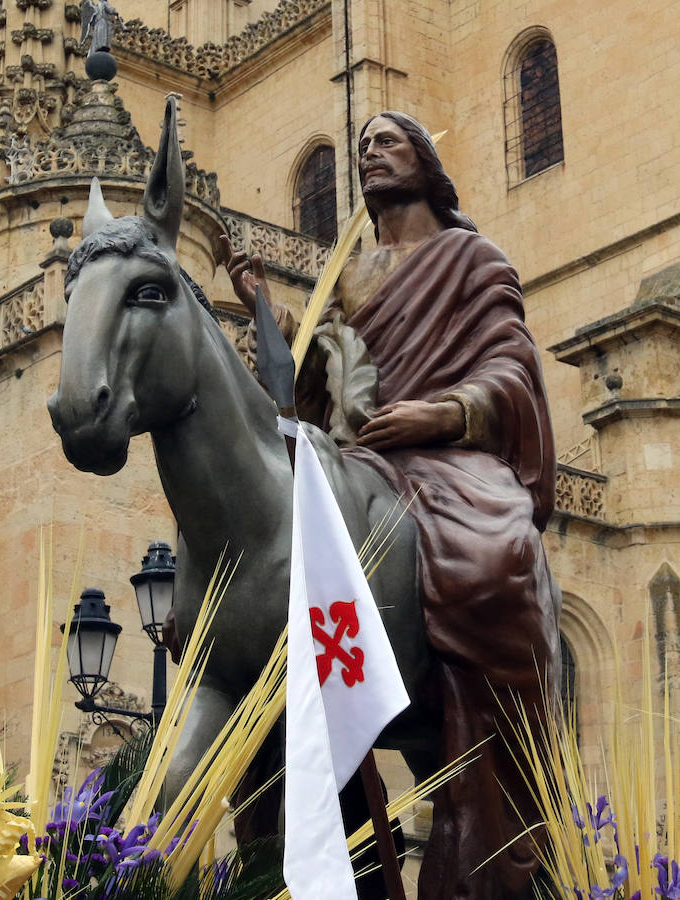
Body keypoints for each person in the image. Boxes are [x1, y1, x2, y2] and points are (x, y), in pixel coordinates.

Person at [221, 111, 560, 900]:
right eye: (363, 146)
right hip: (360, 457)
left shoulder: (472, 258)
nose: (371, 153)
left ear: (425, 163)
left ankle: (499, 781)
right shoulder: (350, 277)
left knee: (495, 555)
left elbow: (511, 368)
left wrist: (440, 414)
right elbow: (315, 385)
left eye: (388, 142)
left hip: (448, 453)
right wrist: (267, 311)